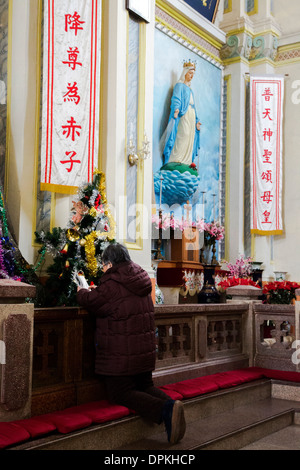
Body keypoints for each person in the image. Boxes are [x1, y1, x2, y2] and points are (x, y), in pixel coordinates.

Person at [76, 243, 186, 445]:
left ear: (109, 263)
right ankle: (173, 406)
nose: (102, 269)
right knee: (144, 385)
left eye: (103, 265)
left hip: (122, 355)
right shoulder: (140, 278)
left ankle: (167, 410)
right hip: (143, 352)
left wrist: (81, 291)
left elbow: (94, 301)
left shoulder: (112, 282)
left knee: (120, 392)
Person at [163, 62, 201, 166]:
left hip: (191, 115)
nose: (191, 76)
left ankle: (186, 161)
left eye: (193, 74)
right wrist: (176, 109)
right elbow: (176, 98)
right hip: (183, 114)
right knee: (184, 134)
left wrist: (197, 121)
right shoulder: (179, 85)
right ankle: (175, 158)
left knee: (190, 137)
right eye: (190, 73)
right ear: (184, 73)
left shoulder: (190, 90)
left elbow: (194, 107)